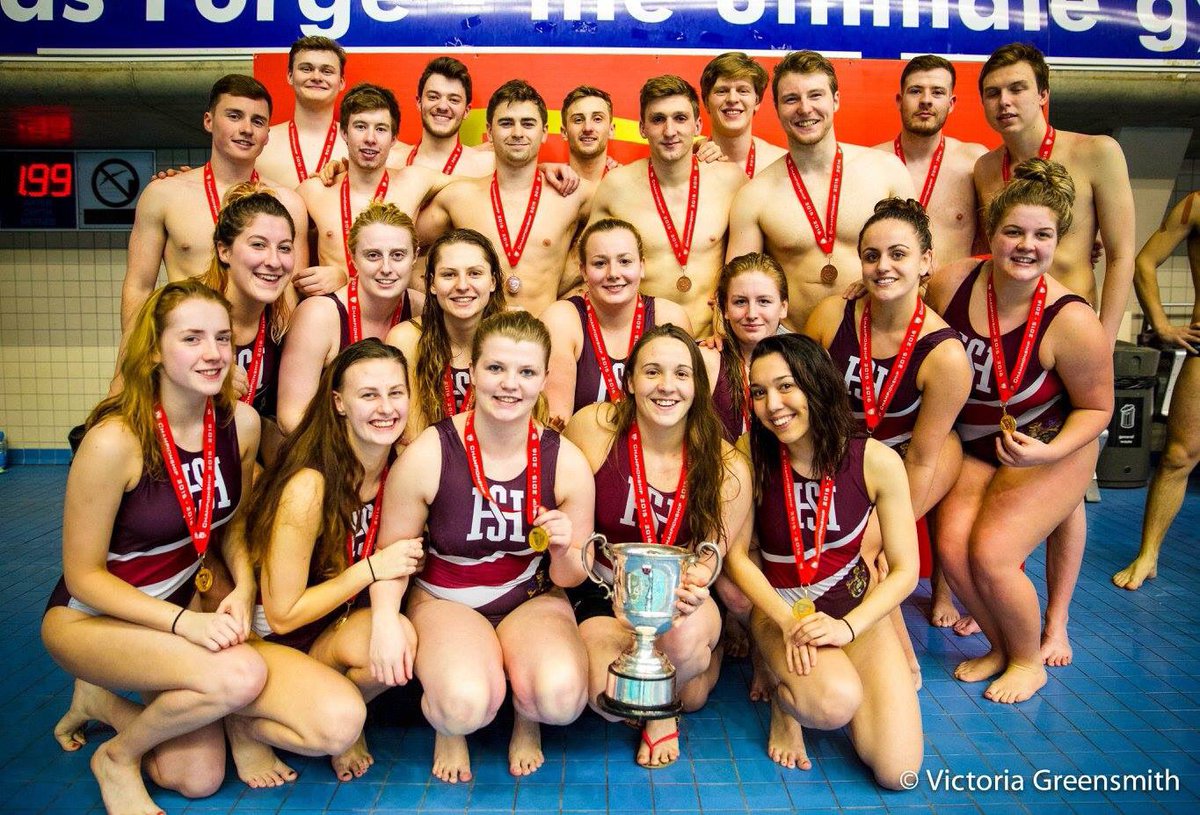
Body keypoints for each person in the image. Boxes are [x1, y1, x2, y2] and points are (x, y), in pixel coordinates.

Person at [43, 280, 266, 814]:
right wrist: (183, 624)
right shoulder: (114, 442)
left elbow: (229, 525)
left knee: (195, 778)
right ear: (155, 350)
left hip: (169, 611)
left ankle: (100, 701)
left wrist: (245, 586)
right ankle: (117, 760)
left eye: (221, 338)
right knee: (241, 675)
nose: (212, 354)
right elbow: (83, 577)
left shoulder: (242, 425)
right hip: (91, 619)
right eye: (191, 338)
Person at [372, 311, 596, 782]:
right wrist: (385, 621)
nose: (509, 384)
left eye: (526, 372)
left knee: (561, 698)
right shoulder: (431, 453)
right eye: (495, 368)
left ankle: (526, 715)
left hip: (530, 597)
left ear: (544, 379)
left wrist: (560, 550)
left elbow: (572, 577)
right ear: (472, 372)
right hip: (445, 598)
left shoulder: (567, 461)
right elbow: (392, 557)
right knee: (462, 705)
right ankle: (447, 726)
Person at [925, 159, 1112, 704]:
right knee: (954, 549)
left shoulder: (1071, 319)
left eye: (1042, 235)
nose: (1026, 245)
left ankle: (1030, 661)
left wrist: (1049, 451)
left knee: (993, 554)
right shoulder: (953, 281)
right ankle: (1002, 644)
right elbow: (913, 325)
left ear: (1059, 241)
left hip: (1051, 444)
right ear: (992, 232)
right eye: (1014, 231)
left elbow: (1099, 409)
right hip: (980, 442)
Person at [972, 43, 1135, 665]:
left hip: (1073, 346)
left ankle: (1056, 620)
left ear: (1043, 94)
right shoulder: (989, 170)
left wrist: (1106, 340)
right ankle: (998, 602)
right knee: (1007, 480)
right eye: (993, 93)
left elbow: (1121, 251)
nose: (1004, 102)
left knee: (1067, 491)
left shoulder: (1096, 152)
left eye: (1016, 89)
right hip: (1012, 352)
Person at [727, 333, 922, 785]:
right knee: (833, 701)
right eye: (759, 392)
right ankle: (785, 701)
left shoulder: (876, 460)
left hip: (853, 610)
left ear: (817, 382)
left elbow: (906, 570)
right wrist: (786, 622)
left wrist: (847, 628)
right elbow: (736, 558)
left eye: (785, 386)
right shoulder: (748, 455)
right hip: (780, 612)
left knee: (899, 771)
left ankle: (839, 676)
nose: (772, 404)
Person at [234, 339, 424, 784]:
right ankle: (241, 722)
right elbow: (282, 615)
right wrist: (371, 569)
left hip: (332, 624)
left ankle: (327, 706)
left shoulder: (400, 467)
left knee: (402, 641)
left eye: (396, 393)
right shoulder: (310, 486)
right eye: (369, 395)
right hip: (275, 640)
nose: (386, 408)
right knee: (339, 725)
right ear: (338, 403)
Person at [564, 324, 753, 769]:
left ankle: (665, 709)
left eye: (681, 374)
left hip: (679, 597)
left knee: (683, 650)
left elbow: (710, 558)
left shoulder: (727, 465)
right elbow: (573, 525)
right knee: (609, 697)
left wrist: (692, 589)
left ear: (697, 387)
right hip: (606, 591)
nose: (666, 386)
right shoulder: (593, 429)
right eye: (651, 372)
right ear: (629, 382)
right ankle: (690, 681)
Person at [807, 199, 972, 630]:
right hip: (843, 458)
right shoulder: (831, 316)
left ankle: (889, 641)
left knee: (864, 555)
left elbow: (922, 459)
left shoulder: (946, 356)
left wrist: (883, 536)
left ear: (926, 262)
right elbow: (804, 405)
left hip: (906, 461)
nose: (883, 266)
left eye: (898, 254)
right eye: (871, 256)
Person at [726, 51, 914, 330]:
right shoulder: (755, 195)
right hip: (794, 345)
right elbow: (738, 285)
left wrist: (880, 278)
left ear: (835, 100)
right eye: (791, 99)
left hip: (878, 337)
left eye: (815, 95)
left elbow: (921, 258)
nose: (804, 108)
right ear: (776, 108)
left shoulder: (886, 171)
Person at [122, 75, 310, 333]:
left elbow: (289, 296)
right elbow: (139, 287)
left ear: (267, 134)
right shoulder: (163, 194)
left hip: (260, 351)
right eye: (234, 116)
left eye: (258, 121)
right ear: (209, 121)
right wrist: (130, 363)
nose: (246, 129)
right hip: (190, 348)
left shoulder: (289, 203)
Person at [417, 80, 593, 317]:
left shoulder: (574, 195)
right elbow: (403, 246)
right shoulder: (459, 197)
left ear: (544, 132)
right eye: (506, 123)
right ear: (490, 132)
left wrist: (577, 283)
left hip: (544, 337)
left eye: (528, 124)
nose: (517, 133)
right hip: (476, 338)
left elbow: (623, 237)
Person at [589, 76, 747, 335]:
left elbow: (753, 266)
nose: (670, 131)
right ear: (642, 128)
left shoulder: (730, 181)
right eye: (658, 119)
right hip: (644, 343)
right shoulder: (616, 187)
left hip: (715, 340)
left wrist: (724, 327)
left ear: (697, 125)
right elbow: (587, 267)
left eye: (680, 118)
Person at [1113, 190, 1200, 590]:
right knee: (1180, 455)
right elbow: (1143, 262)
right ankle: (1148, 555)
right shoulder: (1197, 204)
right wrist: (1162, 325)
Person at [277, 202, 422, 435]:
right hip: (332, 454)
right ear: (353, 258)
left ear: (414, 257)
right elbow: (290, 418)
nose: (386, 268)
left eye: (397, 255)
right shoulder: (319, 315)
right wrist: (359, 449)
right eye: (373, 255)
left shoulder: (419, 309)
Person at [297, 83, 451, 291]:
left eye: (380, 129)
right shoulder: (313, 191)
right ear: (343, 132)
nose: (370, 139)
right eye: (360, 127)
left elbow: (479, 188)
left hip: (397, 316)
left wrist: (493, 147)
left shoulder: (415, 180)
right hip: (335, 315)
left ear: (394, 138)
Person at [541, 218, 692, 427]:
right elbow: (557, 425)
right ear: (583, 271)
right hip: (583, 452)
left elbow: (686, 415)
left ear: (642, 266)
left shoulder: (669, 317)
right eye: (600, 263)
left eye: (625, 261)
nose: (613, 274)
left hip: (652, 451)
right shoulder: (563, 319)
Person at [201, 183, 297, 465]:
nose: (274, 261)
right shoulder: (185, 315)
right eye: (258, 245)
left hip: (242, 459)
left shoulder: (280, 323)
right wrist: (205, 378)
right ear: (224, 251)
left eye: (284, 248)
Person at [387, 228, 507, 442]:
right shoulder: (406, 339)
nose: (462, 286)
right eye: (449, 274)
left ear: (493, 281)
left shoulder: (514, 339)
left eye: (475, 273)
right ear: (432, 284)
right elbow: (411, 437)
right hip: (426, 466)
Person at [872, 55, 986, 265]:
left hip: (955, 294)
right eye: (915, 91)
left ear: (951, 103)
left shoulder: (974, 162)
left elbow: (994, 237)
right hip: (891, 294)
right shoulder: (872, 163)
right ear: (899, 101)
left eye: (937, 92)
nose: (926, 100)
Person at [700, 252, 790, 443]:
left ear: (783, 307)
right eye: (740, 302)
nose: (751, 314)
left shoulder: (806, 363)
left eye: (763, 301)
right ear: (725, 309)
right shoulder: (707, 360)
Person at [255, 37, 349, 188]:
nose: (316, 77)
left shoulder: (360, 145)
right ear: (290, 76)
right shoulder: (260, 141)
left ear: (342, 82)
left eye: (327, 71)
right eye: (306, 69)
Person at [399, 56, 496, 177]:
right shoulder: (391, 161)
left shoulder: (486, 166)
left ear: (466, 110)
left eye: (454, 100)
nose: (443, 106)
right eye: (433, 97)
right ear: (419, 102)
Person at [699, 52, 786, 178]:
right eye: (722, 91)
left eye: (743, 91)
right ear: (706, 102)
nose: (732, 99)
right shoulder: (689, 162)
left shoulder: (780, 163)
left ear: (757, 101)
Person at [561, 85, 620, 184]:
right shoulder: (548, 185)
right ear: (564, 132)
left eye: (597, 119)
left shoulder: (630, 185)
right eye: (578, 120)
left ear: (611, 130)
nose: (587, 128)